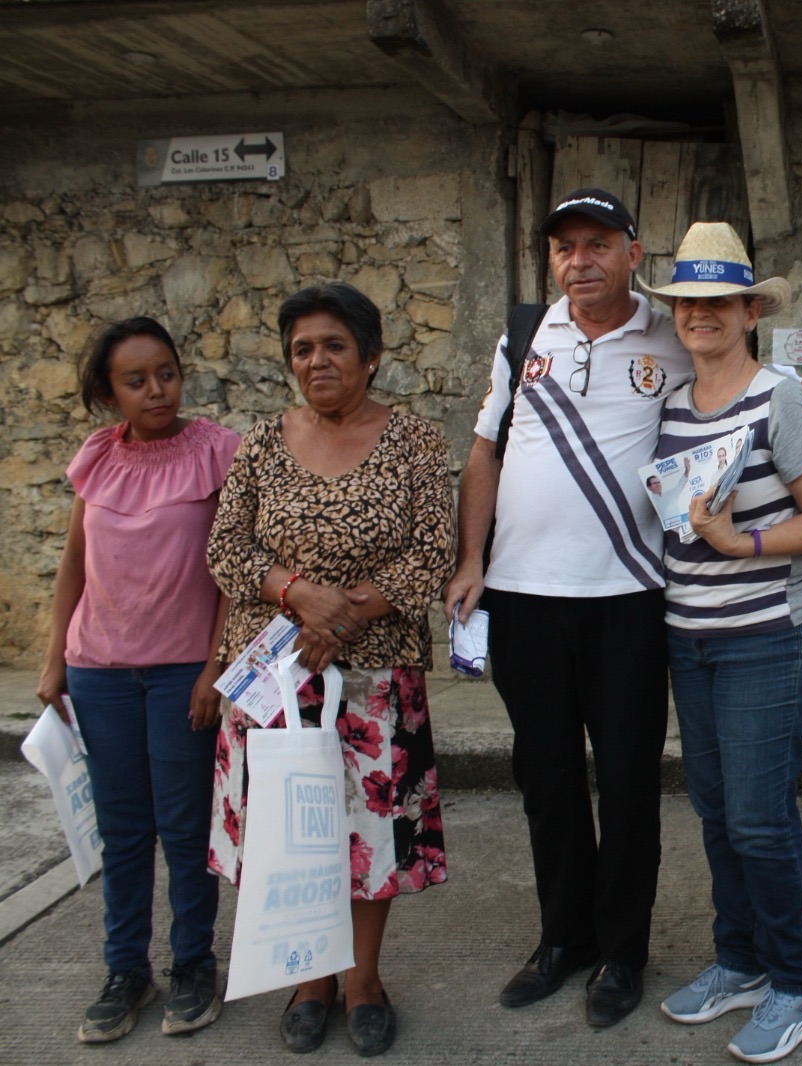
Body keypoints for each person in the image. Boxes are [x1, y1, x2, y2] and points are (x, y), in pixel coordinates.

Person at [440, 188, 692, 1028]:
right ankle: (563, 940)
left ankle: (622, 952)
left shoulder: (670, 332)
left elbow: (720, 416)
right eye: (564, 247)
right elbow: (485, 447)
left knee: (626, 787)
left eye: (596, 244)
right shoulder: (523, 333)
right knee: (545, 781)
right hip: (523, 601)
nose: (578, 260)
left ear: (632, 249)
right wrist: (471, 557)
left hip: (628, 599)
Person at [207, 283, 455, 1057]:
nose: (316, 359)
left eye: (334, 345)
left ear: (370, 356)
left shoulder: (415, 442)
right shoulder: (260, 442)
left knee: (367, 832)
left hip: (376, 676)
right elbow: (227, 550)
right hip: (274, 677)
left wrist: (342, 614)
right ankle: (306, 976)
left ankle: (362, 981)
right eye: (302, 348)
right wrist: (296, 595)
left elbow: (432, 552)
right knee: (286, 832)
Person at [639, 223, 802, 1063]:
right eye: (689, 302)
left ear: (751, 310)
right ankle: (741, 961)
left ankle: (801, 984)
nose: (703, 315)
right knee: (718, 813)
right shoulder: (669, 408)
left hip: (771, 637)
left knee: (761, 819)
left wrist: (743, 545)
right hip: (690, 638)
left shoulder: (782, 397)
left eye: (720, 301)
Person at [36, 318, 239, 1044]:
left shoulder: (218, 452)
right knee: (122, 831)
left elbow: (232, 574)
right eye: (136, 380)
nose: (156, 390)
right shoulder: (97, 457)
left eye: (166, 373)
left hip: (184, 670)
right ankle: (125, 970)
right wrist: (55, 656)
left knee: (185, 828)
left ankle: (192, 965)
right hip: (99, 671)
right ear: (107, 392)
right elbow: (73, 564)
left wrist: (216, 667)